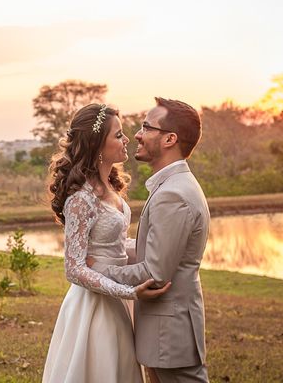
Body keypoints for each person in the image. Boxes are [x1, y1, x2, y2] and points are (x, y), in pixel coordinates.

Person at [42, 103, 170, 383]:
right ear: (97, 145)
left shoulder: (111, 188)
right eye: (118, 135)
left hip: (119, 300)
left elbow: (115, 244)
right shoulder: (81, 199)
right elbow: (73, 269)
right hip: (94, 308)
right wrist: (128, 291)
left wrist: (163, 248)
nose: (127, 139)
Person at [89, 97, 210, 383]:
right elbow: (157, 251)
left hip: (170, 335)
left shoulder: (173, 194)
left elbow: (154, 273)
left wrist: (100, 269)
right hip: (164, 332)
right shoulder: (172, 186)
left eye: (146, 127)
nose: (138, 135)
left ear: (169, 139)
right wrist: (112, 251)